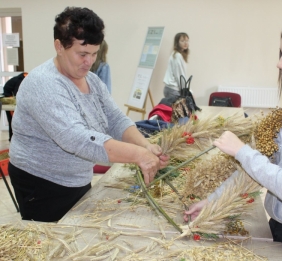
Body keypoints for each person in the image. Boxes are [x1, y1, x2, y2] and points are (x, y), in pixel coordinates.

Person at [8, 7, 168, 223]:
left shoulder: (91, 80)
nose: (89, 61)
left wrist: (144, 146)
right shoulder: (43, 83)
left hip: (76, 177)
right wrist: (137, 155)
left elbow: (115, 119)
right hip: (42, 183)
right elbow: (77, 139)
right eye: (82, 54)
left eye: (94, 53)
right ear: (59, 46)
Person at [184, 19, 282, 261]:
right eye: (280, 53)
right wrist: (211, 202)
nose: (279, 63)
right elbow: (257, 166)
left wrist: (241, 150)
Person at [163, 32, 190, 99]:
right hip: (173, 90)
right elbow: (180, 76)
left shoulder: (177, 55)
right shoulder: (177, 56)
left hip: (171, 89)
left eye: (187, 40)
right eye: (182, 41)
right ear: (177, 42)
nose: (185, 43)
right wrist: (188, 92)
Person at [3, 72, 28, 141]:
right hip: (9, 100)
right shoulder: (19, 80)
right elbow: (16, 94)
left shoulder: (24, 78)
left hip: (13, 100)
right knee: (12, 120)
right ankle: (12, 139)